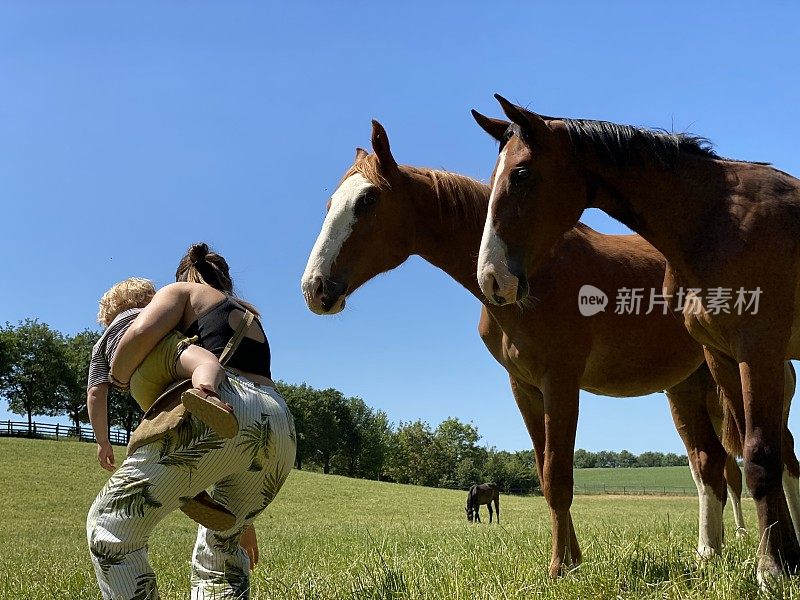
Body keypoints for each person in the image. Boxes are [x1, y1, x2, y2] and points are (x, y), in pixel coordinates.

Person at [86, 243, 296, 600]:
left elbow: (138, 336)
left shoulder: (181, 292)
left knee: (110, 530)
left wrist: (120, 376)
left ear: (182, 274)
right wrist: (244, 520)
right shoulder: (248, 314)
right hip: (280, 426)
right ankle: (229, 519)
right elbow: (251, 413)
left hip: (220, 403)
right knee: (221, 549)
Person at [86, 277, 237, 472]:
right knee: (206, 362)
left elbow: (95, 393)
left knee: (169, 434)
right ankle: (206, 392)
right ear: (149, 299)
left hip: (140, 388)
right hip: (164, 352)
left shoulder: (100, 344)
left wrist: (102, 441)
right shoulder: (146, 311)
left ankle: (190, 487)